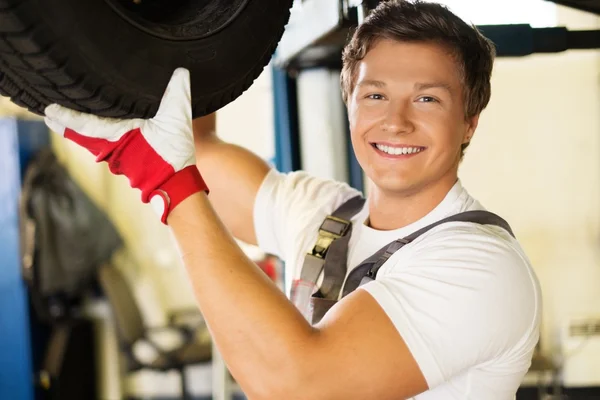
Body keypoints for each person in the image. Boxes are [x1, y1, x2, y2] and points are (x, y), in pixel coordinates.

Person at [44, 0, 542, 398]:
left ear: (469, 121)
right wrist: (179, 23)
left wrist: (168, 183)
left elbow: (299, 384)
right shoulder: (328, 214)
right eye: (374, 95)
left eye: (427, 98)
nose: (396, 121)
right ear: (348, 103)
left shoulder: (480, 265)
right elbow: (200, 152)